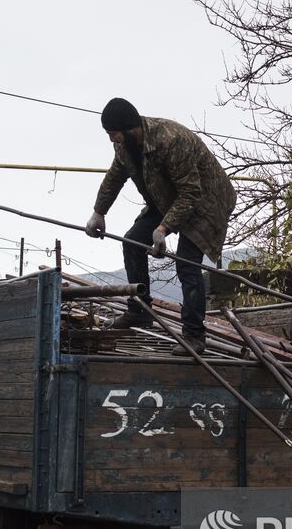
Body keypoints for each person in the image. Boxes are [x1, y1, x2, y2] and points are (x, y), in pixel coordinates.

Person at [84, 98, 235, 355]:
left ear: (130, 129)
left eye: (114, 133)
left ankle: (194, 336)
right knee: (132, 242)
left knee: (187, 263)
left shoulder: (171, 139)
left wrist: (163, 229)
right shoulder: (125, 147)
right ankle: (140, 311)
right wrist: (99, 212)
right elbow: (114, 178)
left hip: (205, 202)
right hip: (166, 198)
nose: (112, 139)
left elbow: (190, 193)